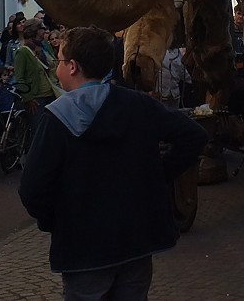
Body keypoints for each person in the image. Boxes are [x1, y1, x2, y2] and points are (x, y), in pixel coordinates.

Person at [19, 26, 208, 300]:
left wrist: (57, 220)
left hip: (85, 249)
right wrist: (160, 175)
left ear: (72, 67)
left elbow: (32, 189)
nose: (56, 66)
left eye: (59, 59)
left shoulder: (57, 119)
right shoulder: (138, 105)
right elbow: (194, 135)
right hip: (137, 240)